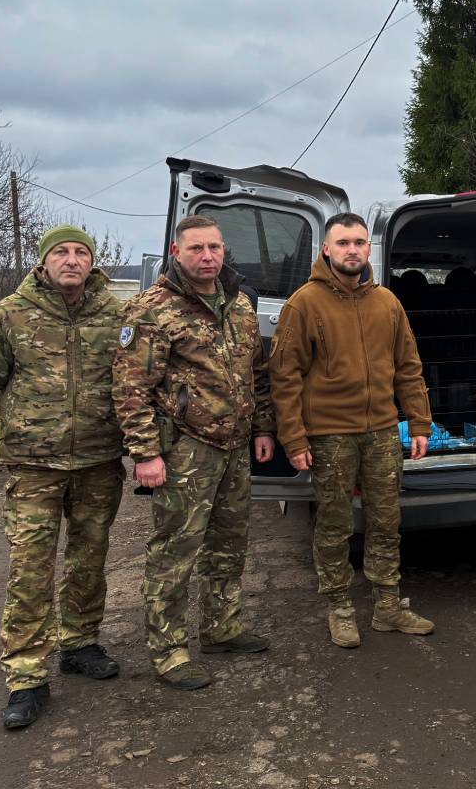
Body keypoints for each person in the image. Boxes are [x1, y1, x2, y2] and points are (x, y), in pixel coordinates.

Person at [0, 225, 125, 729]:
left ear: (92, 262)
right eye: (61, 252)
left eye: (81, 252)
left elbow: (138, 383)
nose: (71, 260)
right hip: (34, 465)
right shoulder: (10, 314)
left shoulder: (114, 315)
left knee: (89, 558)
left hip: (98, 461)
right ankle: (27, 675)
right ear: (43, 261)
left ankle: (79, 642)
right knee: (30, 567)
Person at [113, 215, 275, 690]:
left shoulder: (240, 305)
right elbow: (129, 390)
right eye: (197, 248)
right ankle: (169, 650)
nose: (208, 256)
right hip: (185, 450)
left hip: (234, 448)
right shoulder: (152, 309)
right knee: (175, 551)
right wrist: (145, 454)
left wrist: (263, 427)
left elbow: (257, 375)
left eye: (215, 247)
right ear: (176, 250)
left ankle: (221, 627)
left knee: (229, 543)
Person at [268, 213, 433, 649]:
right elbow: (284, 378)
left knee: (385, 522)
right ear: (326, 249)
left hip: (381, 431)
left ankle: (387, 606)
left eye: (359, 242)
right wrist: (294, 438)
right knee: (335, 525)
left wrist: (419, 421)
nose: (352, 250)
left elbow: (408, 368)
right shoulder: (303, 304)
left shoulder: (387, 304)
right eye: (343, 243)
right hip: (329, 434)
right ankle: (339, 607)